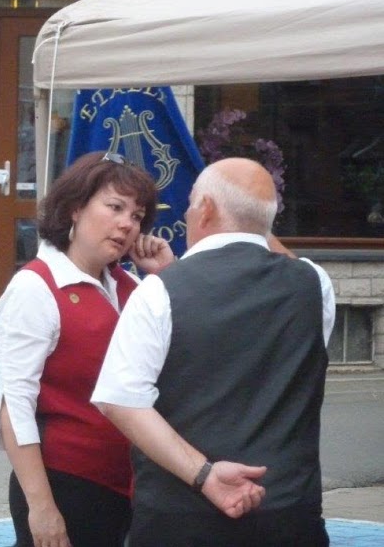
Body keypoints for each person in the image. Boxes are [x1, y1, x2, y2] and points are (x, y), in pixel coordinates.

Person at [91, 158, 336, 547]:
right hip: (289, 513)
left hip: (180, 519)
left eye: (191, 203)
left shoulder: (159, 291)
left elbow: (118, 399)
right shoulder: (314, 284)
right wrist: (256, 221)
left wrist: (203, 474)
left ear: (205, 209)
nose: (187, 213)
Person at [0, 150, 175, 547]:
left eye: (137, 216)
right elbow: (14, 406)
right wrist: (41, 507)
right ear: (75, 208)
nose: (127, 223)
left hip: (131, 488)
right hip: (66, 486)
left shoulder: (134, 289)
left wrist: (170, 275)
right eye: (115, 207)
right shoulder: (35, 287)